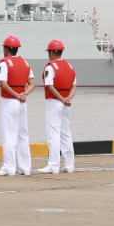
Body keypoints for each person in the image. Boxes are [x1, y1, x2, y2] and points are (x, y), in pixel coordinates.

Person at [0, 35, 35, 176]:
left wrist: (16, 95)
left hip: (10, 101)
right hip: (22, 102)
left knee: (9, 134)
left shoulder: (4, 63)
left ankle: (9, 167)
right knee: (23, 134)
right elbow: (32, 83)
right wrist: (23, 94)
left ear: (6, 49)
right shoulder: (25, 62)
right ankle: (25, 167)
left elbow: (4, 84)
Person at [36, 40, 77, 174]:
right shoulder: (69, 66)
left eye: (49, 52)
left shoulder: (50, 67)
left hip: (55, 102)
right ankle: (69, 165)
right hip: (66, 104)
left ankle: (53, 165)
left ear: (53, 52)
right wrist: (68, 98)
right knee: (66, 134)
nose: (48, 54)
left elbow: (50, 86)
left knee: (53, 134)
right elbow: (74, 86)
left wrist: (61, 99)